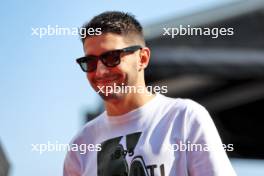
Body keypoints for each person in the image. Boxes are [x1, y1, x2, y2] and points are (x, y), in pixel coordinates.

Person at [63, 11, 236, 176]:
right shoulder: (82, 143)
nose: (100, 71)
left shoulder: (184, 117)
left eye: (111, 57)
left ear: (142, 58)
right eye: (90, 62)